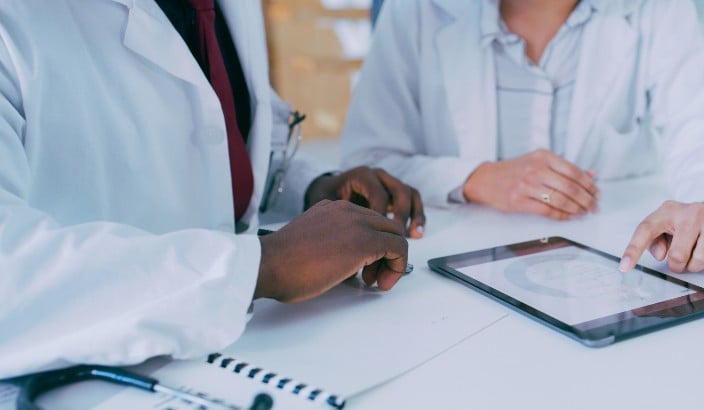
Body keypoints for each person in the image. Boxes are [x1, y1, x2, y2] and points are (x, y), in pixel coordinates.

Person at [0, 0, 425, 379]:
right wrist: (260, 267)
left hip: (258, 350)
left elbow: (225, 131)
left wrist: (313, 187)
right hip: (93, 381)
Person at [341, 0, 704, 274]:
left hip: (608, 266)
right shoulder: (417, 9)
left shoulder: (654, 9)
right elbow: (365, 163)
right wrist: (476, 178)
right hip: (448, 266)